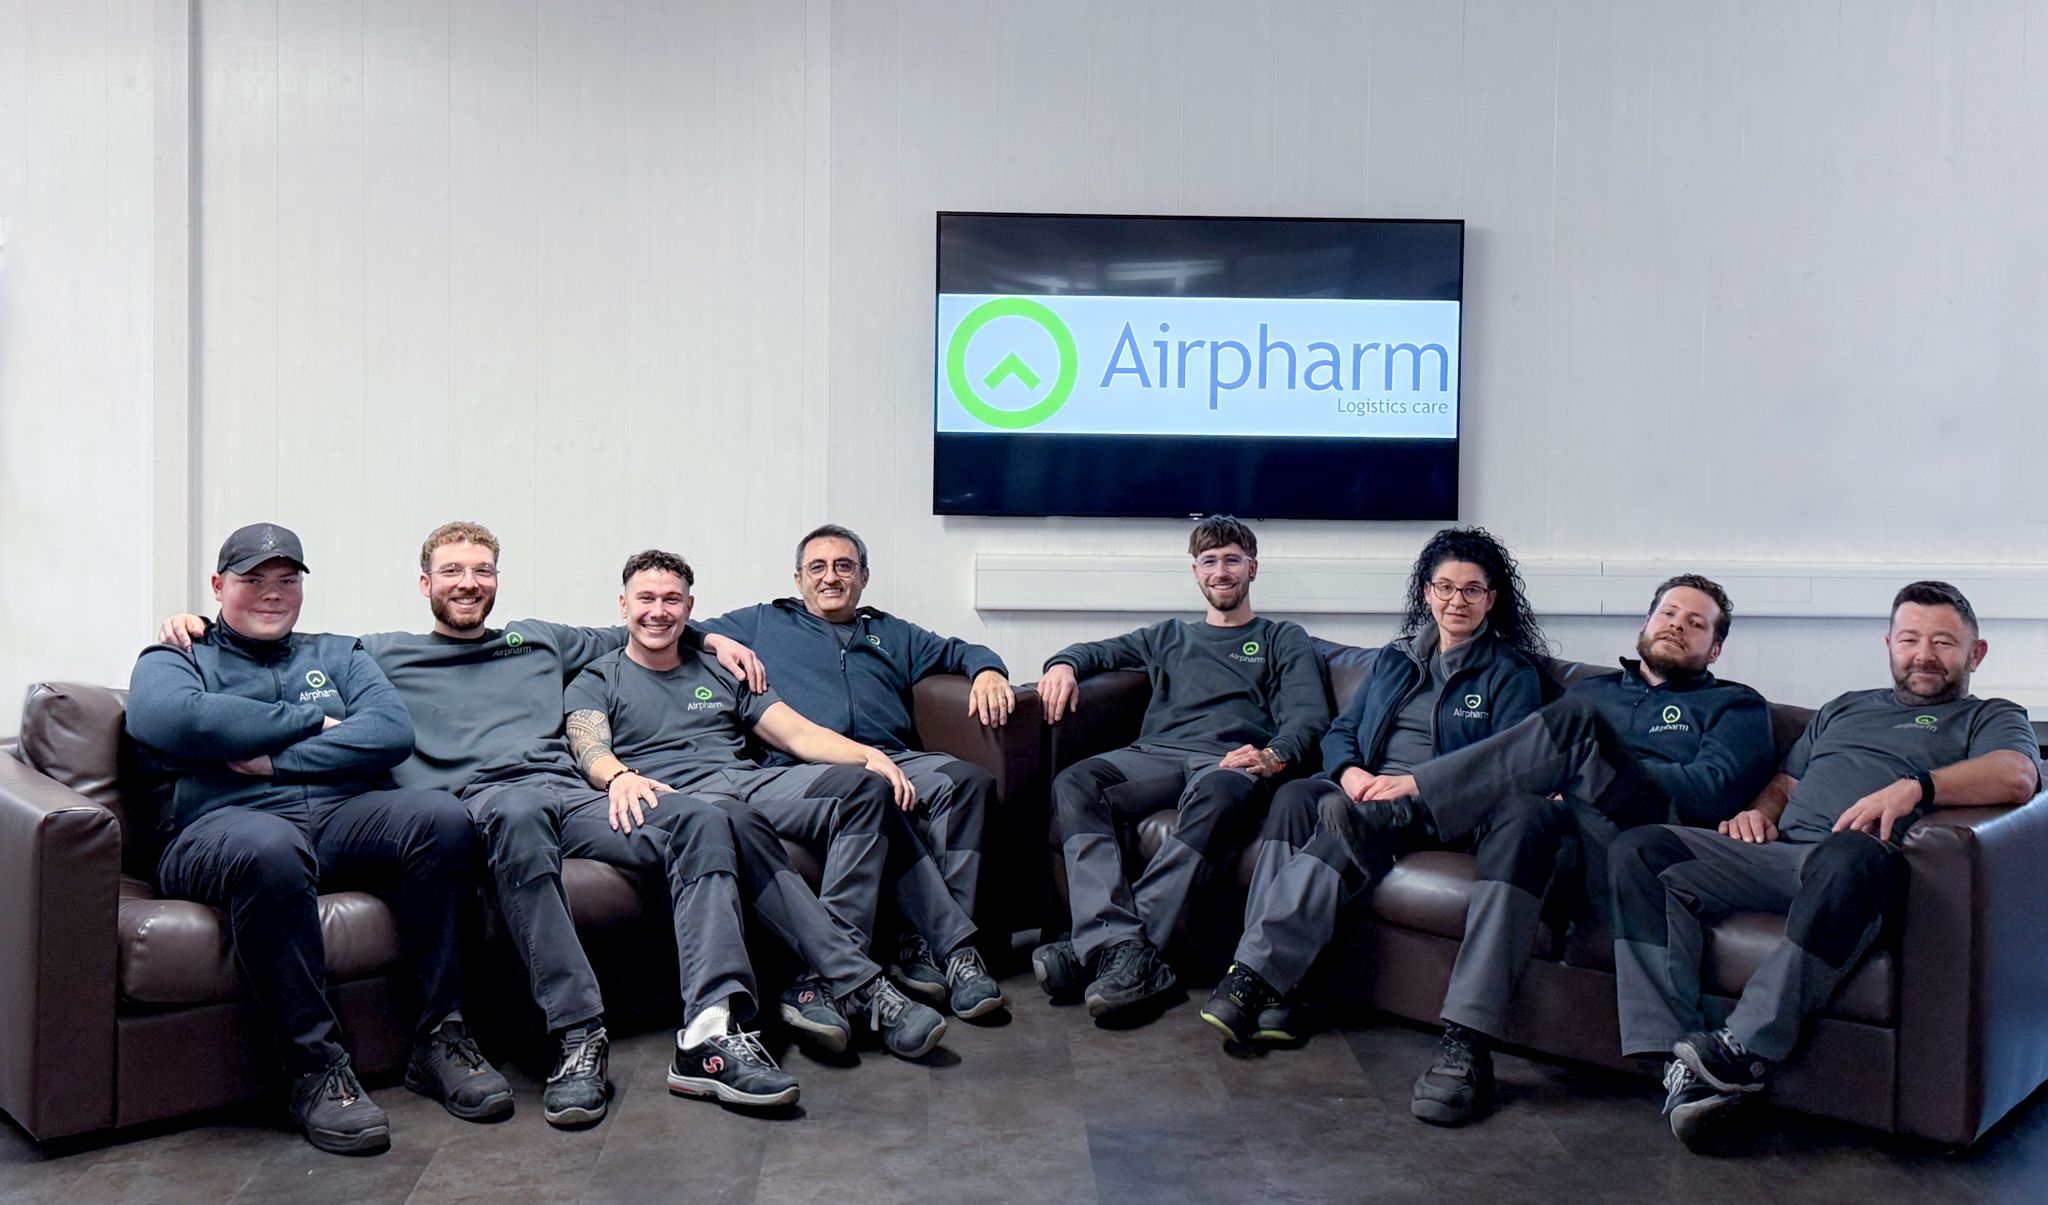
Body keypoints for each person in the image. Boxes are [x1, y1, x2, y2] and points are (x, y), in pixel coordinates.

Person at [156, 520, 787, 1126]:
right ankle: (571, 1034)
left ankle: (710, 1029)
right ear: (424, 584)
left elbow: (388, 732)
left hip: (557, 791)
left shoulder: (516, 641)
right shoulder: (358, 652)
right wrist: (222, 645)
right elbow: (179, 715)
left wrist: (708, 638)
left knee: (697, 819)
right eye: (452, 571)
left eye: (482, 570)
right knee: (496, 813)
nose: (468, 582)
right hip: (475, 802)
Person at [1318, 574, 1776, 1127]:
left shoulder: (1736, 706)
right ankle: (1466, 1043)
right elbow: (1525, 760)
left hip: (1649, 843)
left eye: (1695, 623)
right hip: (1568, 848)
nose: (1677, 626)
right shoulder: (1593, 691)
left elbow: (1712, 790)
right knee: (1522, 813)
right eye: (1668, 614)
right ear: (1645, 624)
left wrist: (1588, 767)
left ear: (1715, 649)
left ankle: (1412, 804)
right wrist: (1565, 775)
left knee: (1576, 731)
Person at [125, 523, 512, 1155]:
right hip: (221, 825)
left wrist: (274, 759)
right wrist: (310, 720)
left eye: (286, 580)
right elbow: (173, 717)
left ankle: (441, 1036)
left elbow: (389, 731)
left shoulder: (338, 654)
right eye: (253, 580)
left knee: (441, 818)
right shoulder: (177, 656)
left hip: (338, 817)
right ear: (218, 586)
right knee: (271, 846)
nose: (272, 593)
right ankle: (315, 1069)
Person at [1612, 580, 2042, 1148]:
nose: (1923, 655)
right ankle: (1675, 1056)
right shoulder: (1845, 707)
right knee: (1643, 849)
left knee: (1848, 853)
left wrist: (1917, 786)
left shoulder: (1988, 716)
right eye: (1910, 639)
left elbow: (2018, 774)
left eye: (1943, 642)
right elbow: (1787, 782)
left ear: (1975, 653)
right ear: (1888, 644)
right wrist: (1759, 813)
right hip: (1777, 856)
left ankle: (1743, 1046)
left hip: (1858, 865)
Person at [565, 549, 955, 1062]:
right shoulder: (597, 678)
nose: (658, 611)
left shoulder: (722, 668)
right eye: (646, 599)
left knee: (864, 791)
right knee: (732, 819)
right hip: (685, 802)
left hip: (750, 783)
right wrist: (616, 775)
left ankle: (821, 980)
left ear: (690, 608)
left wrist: (870, 757)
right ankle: (860, 985)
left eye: (672, 600)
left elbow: (796, 733)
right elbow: (588, 744)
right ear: (623, 605)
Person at [1201, 527, 1548, 1048]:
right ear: (1427, 592)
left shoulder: (1510, 672)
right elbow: (1343, 731)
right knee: (1296, 797)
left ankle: (1257, 975)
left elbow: (1505, 765)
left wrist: (1414, 783)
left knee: (1345, 823)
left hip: (1435, 805)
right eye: (1446, 587)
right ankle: (1280, 993)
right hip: (1365, 789)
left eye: (1472, 590)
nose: (1457, 600)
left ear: (1491, 599)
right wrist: (1350, 773)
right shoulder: (1397, 658)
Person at [692, 523, 1009, 1017]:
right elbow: (675, 627)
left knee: (968, 781)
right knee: (864, 787)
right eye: (817, 567)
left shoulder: (892, 633)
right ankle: (906, 960)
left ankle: (931, 951)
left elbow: (961, 651)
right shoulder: (763, 623)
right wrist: (717, 640)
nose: (830, 577)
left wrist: (988, 670)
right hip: (807, 764)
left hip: (894, 756)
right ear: (798, 579)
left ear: (863, 576)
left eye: (844, 566)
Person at [1033, 515, 1331, 1021]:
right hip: (1158, 754)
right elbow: (1096, 652)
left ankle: (1109, 950)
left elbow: (1309, 716)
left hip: (1228, 762)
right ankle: (1120, 945)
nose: (1221, 571)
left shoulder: (1282, 638)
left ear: (1252, 569)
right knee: (1076, 781)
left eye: (1232, 560)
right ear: (1196, 572)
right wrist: (1063, 664)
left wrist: (1273, 755)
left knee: (1221, 793)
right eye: (1210, 561)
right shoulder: (1168, 636)